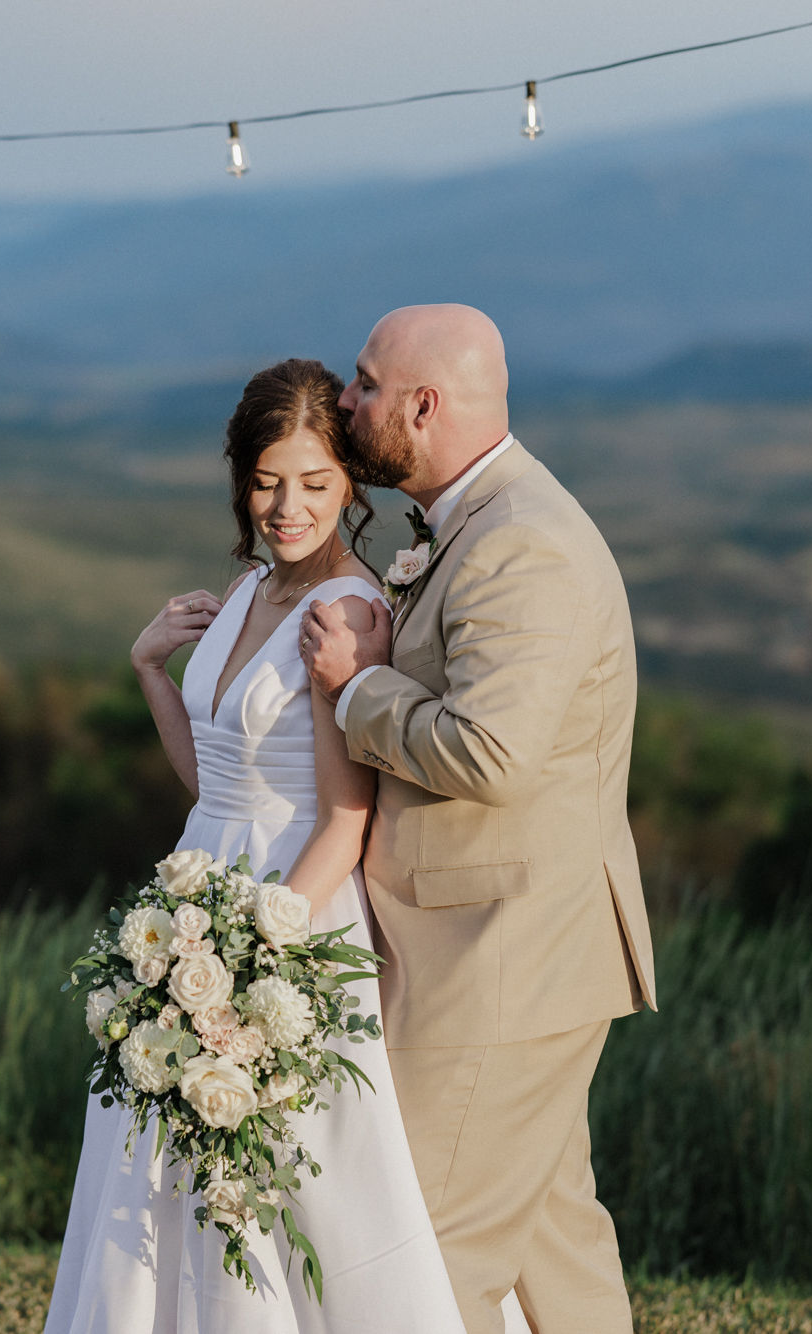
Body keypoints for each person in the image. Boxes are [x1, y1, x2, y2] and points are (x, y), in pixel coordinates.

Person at [44, 358, 525, 1334]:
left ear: (347, 482)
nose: (286, 506)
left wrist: (249, 961)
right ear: (239, 481)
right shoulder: (246, 588)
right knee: (159, 1165)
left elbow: (342, 824)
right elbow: (212, 781)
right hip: (195, 901)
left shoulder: (343, 613)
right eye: (266, 482)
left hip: (286, 920)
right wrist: (148, 667)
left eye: (312, 482)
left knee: (271, 1184)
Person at [298, 305, 658, 1334]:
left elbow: (489, 754)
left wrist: (356, 688)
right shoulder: (471, 522)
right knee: (556, 1258)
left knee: (426, 1256)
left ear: (424, 404)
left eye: (365, 384)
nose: (345, 399)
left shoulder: (519, 543)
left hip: (502, 951)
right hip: (503, 943)